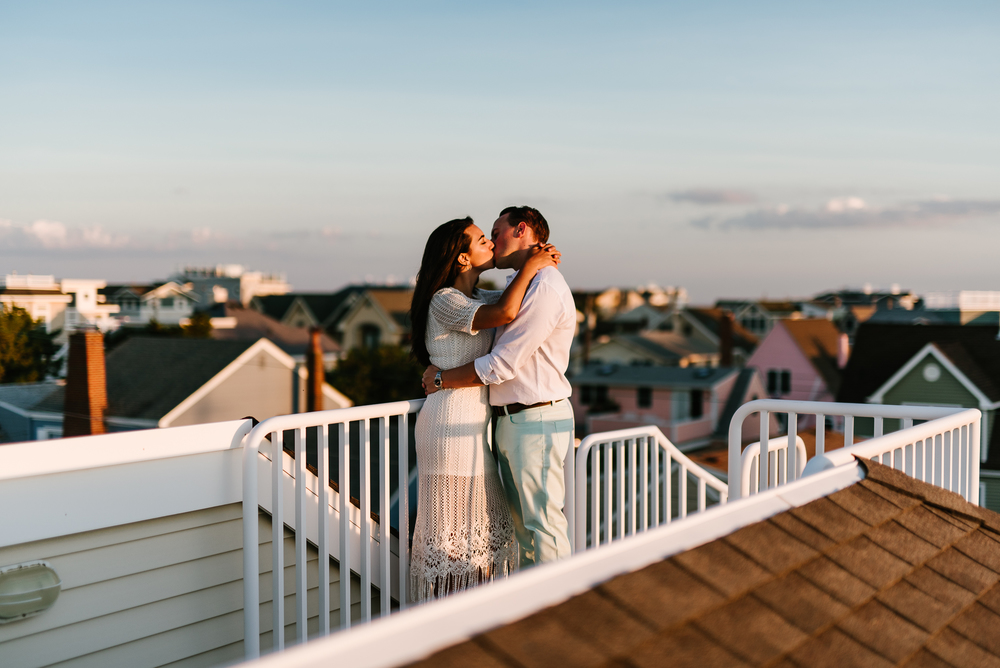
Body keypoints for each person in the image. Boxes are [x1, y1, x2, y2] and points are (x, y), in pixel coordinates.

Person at [409, 216, 561, 602]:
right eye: (482, 240)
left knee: (484, 529)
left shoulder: (478, 297)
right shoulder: (445, 300)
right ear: (462, 259)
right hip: (449, 424)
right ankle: (448, 616)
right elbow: (506, 314)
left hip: (476, 425)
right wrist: (530, 265)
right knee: (456, 536)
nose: (491, 245)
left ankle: (477, 612)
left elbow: (516, 301)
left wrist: (538, 266)